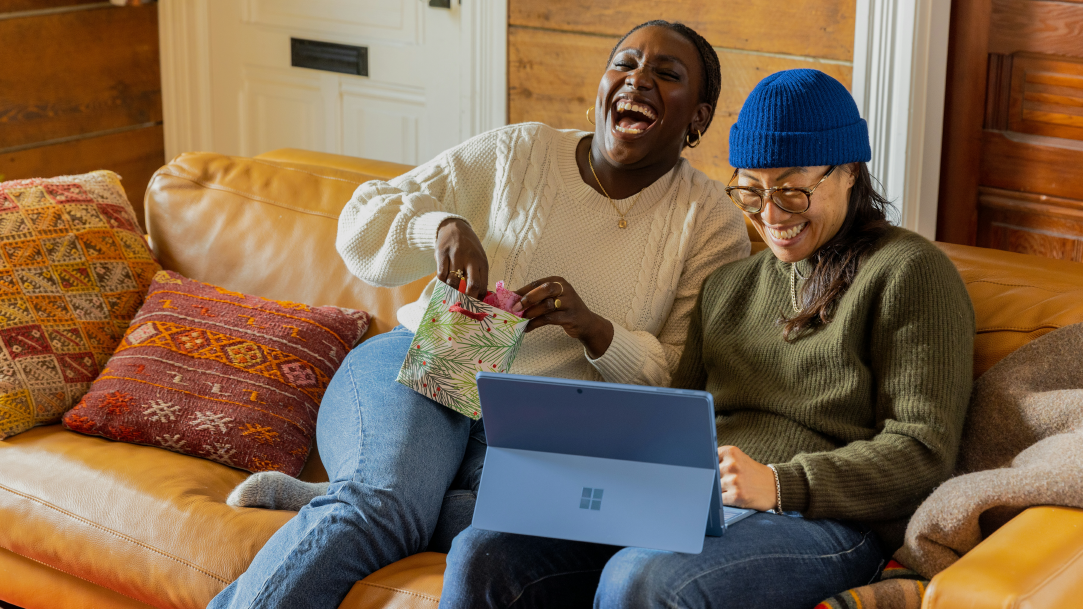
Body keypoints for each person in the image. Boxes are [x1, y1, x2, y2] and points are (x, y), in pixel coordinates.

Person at [208, 20, 751, 609]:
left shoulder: (710, 221)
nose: (638, 79)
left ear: (698, 117)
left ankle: (349, 492)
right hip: (428, 361)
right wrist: (438, 226)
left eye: (666, 75)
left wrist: (597, 330)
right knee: (383, 510)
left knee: (530, 522)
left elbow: (678, 376)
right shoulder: (521, 152)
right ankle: (369, 493)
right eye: (624, 64)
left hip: (538, 427)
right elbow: (361, 222)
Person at [439, 69, 976, 609]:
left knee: (641, 578)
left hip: (824, 519)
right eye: (750, 191)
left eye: (791, 191)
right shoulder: (727, 286)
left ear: (849, 173)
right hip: (691, 502)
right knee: (483, 551)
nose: (770, 216)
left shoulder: (910, 271)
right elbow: (677, 416)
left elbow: (922, 450)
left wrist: (782, 483)